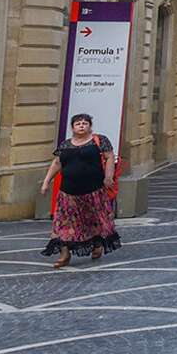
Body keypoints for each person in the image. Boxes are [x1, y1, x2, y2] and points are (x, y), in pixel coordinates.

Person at [41, 113, 120, 268]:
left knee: (94, 221)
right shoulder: (65, 145)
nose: (82, 125)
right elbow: (57, 163)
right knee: (62, 223)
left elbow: (110, 157)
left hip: (93, 191)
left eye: (85, 123)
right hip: (68, 193)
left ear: (90, 127)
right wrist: (46, 182)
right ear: (72, 127)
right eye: (78, 123)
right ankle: (65, 254)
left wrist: (108, 177)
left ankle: (97, 244)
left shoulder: (99, 141)